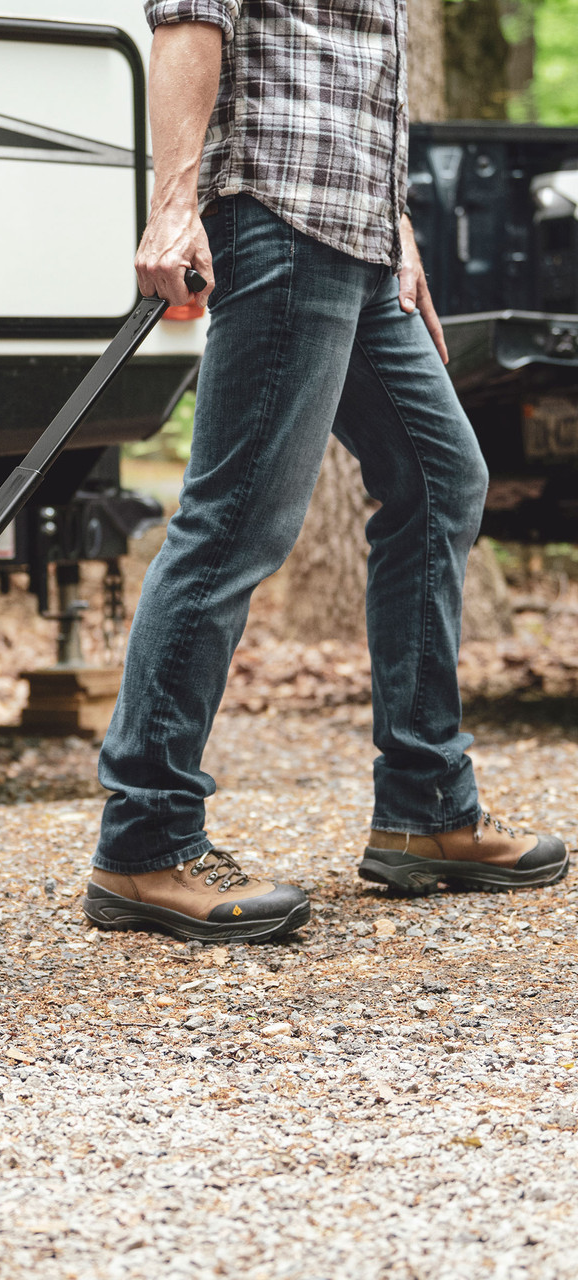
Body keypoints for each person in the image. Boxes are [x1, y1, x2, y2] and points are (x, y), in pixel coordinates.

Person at [82, 0, 568, 943]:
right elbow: (190, 17)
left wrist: (401, 234)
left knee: (441, 481)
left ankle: (426, 810)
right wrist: (174, 203)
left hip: (361, 236)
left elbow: (361, 73)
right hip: (282, 212)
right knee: (234, 523)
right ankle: (144, 842)